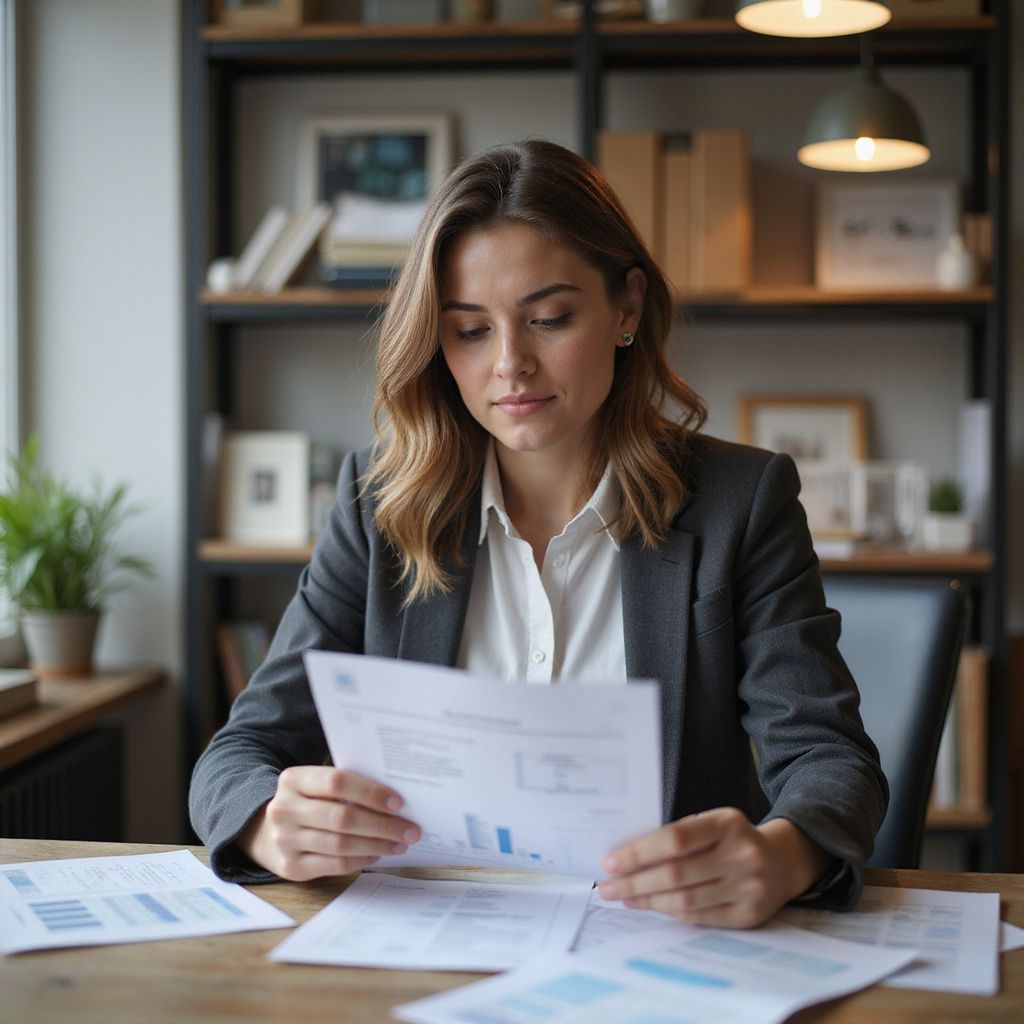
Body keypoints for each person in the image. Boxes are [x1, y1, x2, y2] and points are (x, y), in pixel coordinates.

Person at [190, 139, 887, 929]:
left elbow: (832, 762)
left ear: (626, 308)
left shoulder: (741, 502)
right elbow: (236, 758)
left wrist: (780, 856)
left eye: (549, 318)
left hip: (662, 953)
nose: (510, 365)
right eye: (469, 330)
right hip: (419, 944)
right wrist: (268, 823)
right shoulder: (377, 504)